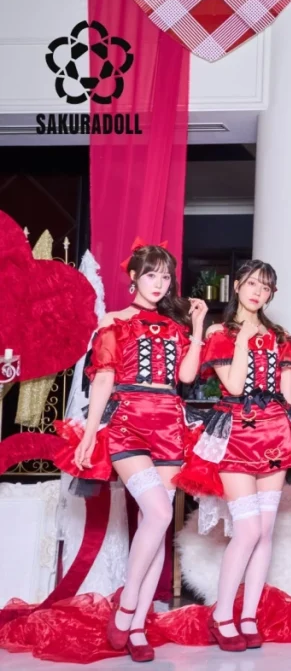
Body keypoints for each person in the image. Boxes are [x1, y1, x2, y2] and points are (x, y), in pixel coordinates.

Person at [54, 243, 206, 662]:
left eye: (165, 276)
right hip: (128, 425)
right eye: (151, 275)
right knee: (158, 514)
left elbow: (186, 375)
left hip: (170, 425)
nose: (159, 284)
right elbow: (103, 379)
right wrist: (89, 434)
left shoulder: (174, 326)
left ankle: (137, 624)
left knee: (156, 526)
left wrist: (196, 329)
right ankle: (126, 607)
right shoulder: (114, 321)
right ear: (134, 277)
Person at [173, 260, 291, 652]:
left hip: (275, 433)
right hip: (236, 434)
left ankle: (248, 616)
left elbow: (289, 392)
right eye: (251, 284)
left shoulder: (280, 337)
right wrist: (245, 339)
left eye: (265, 288)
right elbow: (232, 385)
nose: (257, 293)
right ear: (237, 286)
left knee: (265, 531)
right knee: (247, 530)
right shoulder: (221, 333)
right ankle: (222, 615)